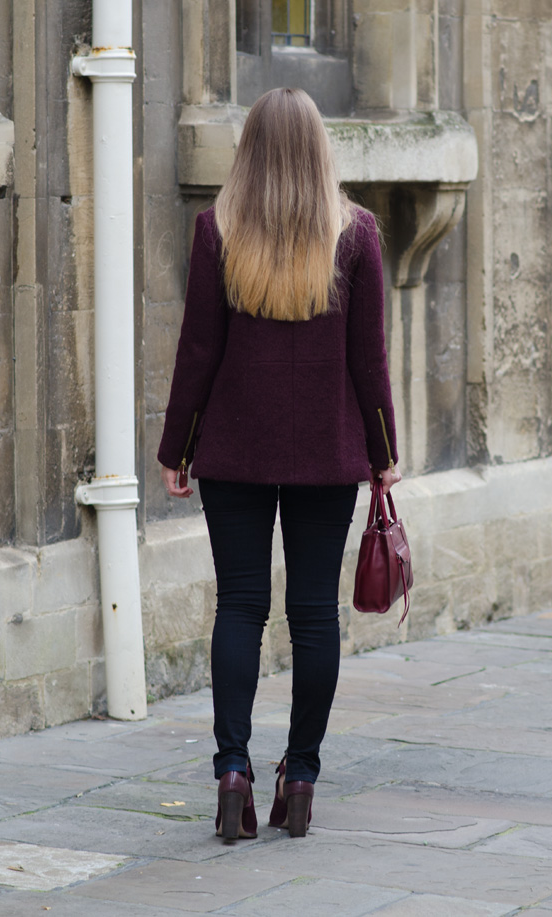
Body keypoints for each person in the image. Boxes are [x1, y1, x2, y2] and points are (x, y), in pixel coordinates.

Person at [158, 87, 401, 841]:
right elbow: (370, 360)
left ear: (250, 150)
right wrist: (383, 454)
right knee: (313, 616)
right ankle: (300, 776)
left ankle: (233, 770)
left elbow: (198, 350)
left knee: (240, 606)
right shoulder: (356, 235)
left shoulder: (216, 231)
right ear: (321, 149)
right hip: (328, 455)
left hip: (232, 448)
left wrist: (178, 447)